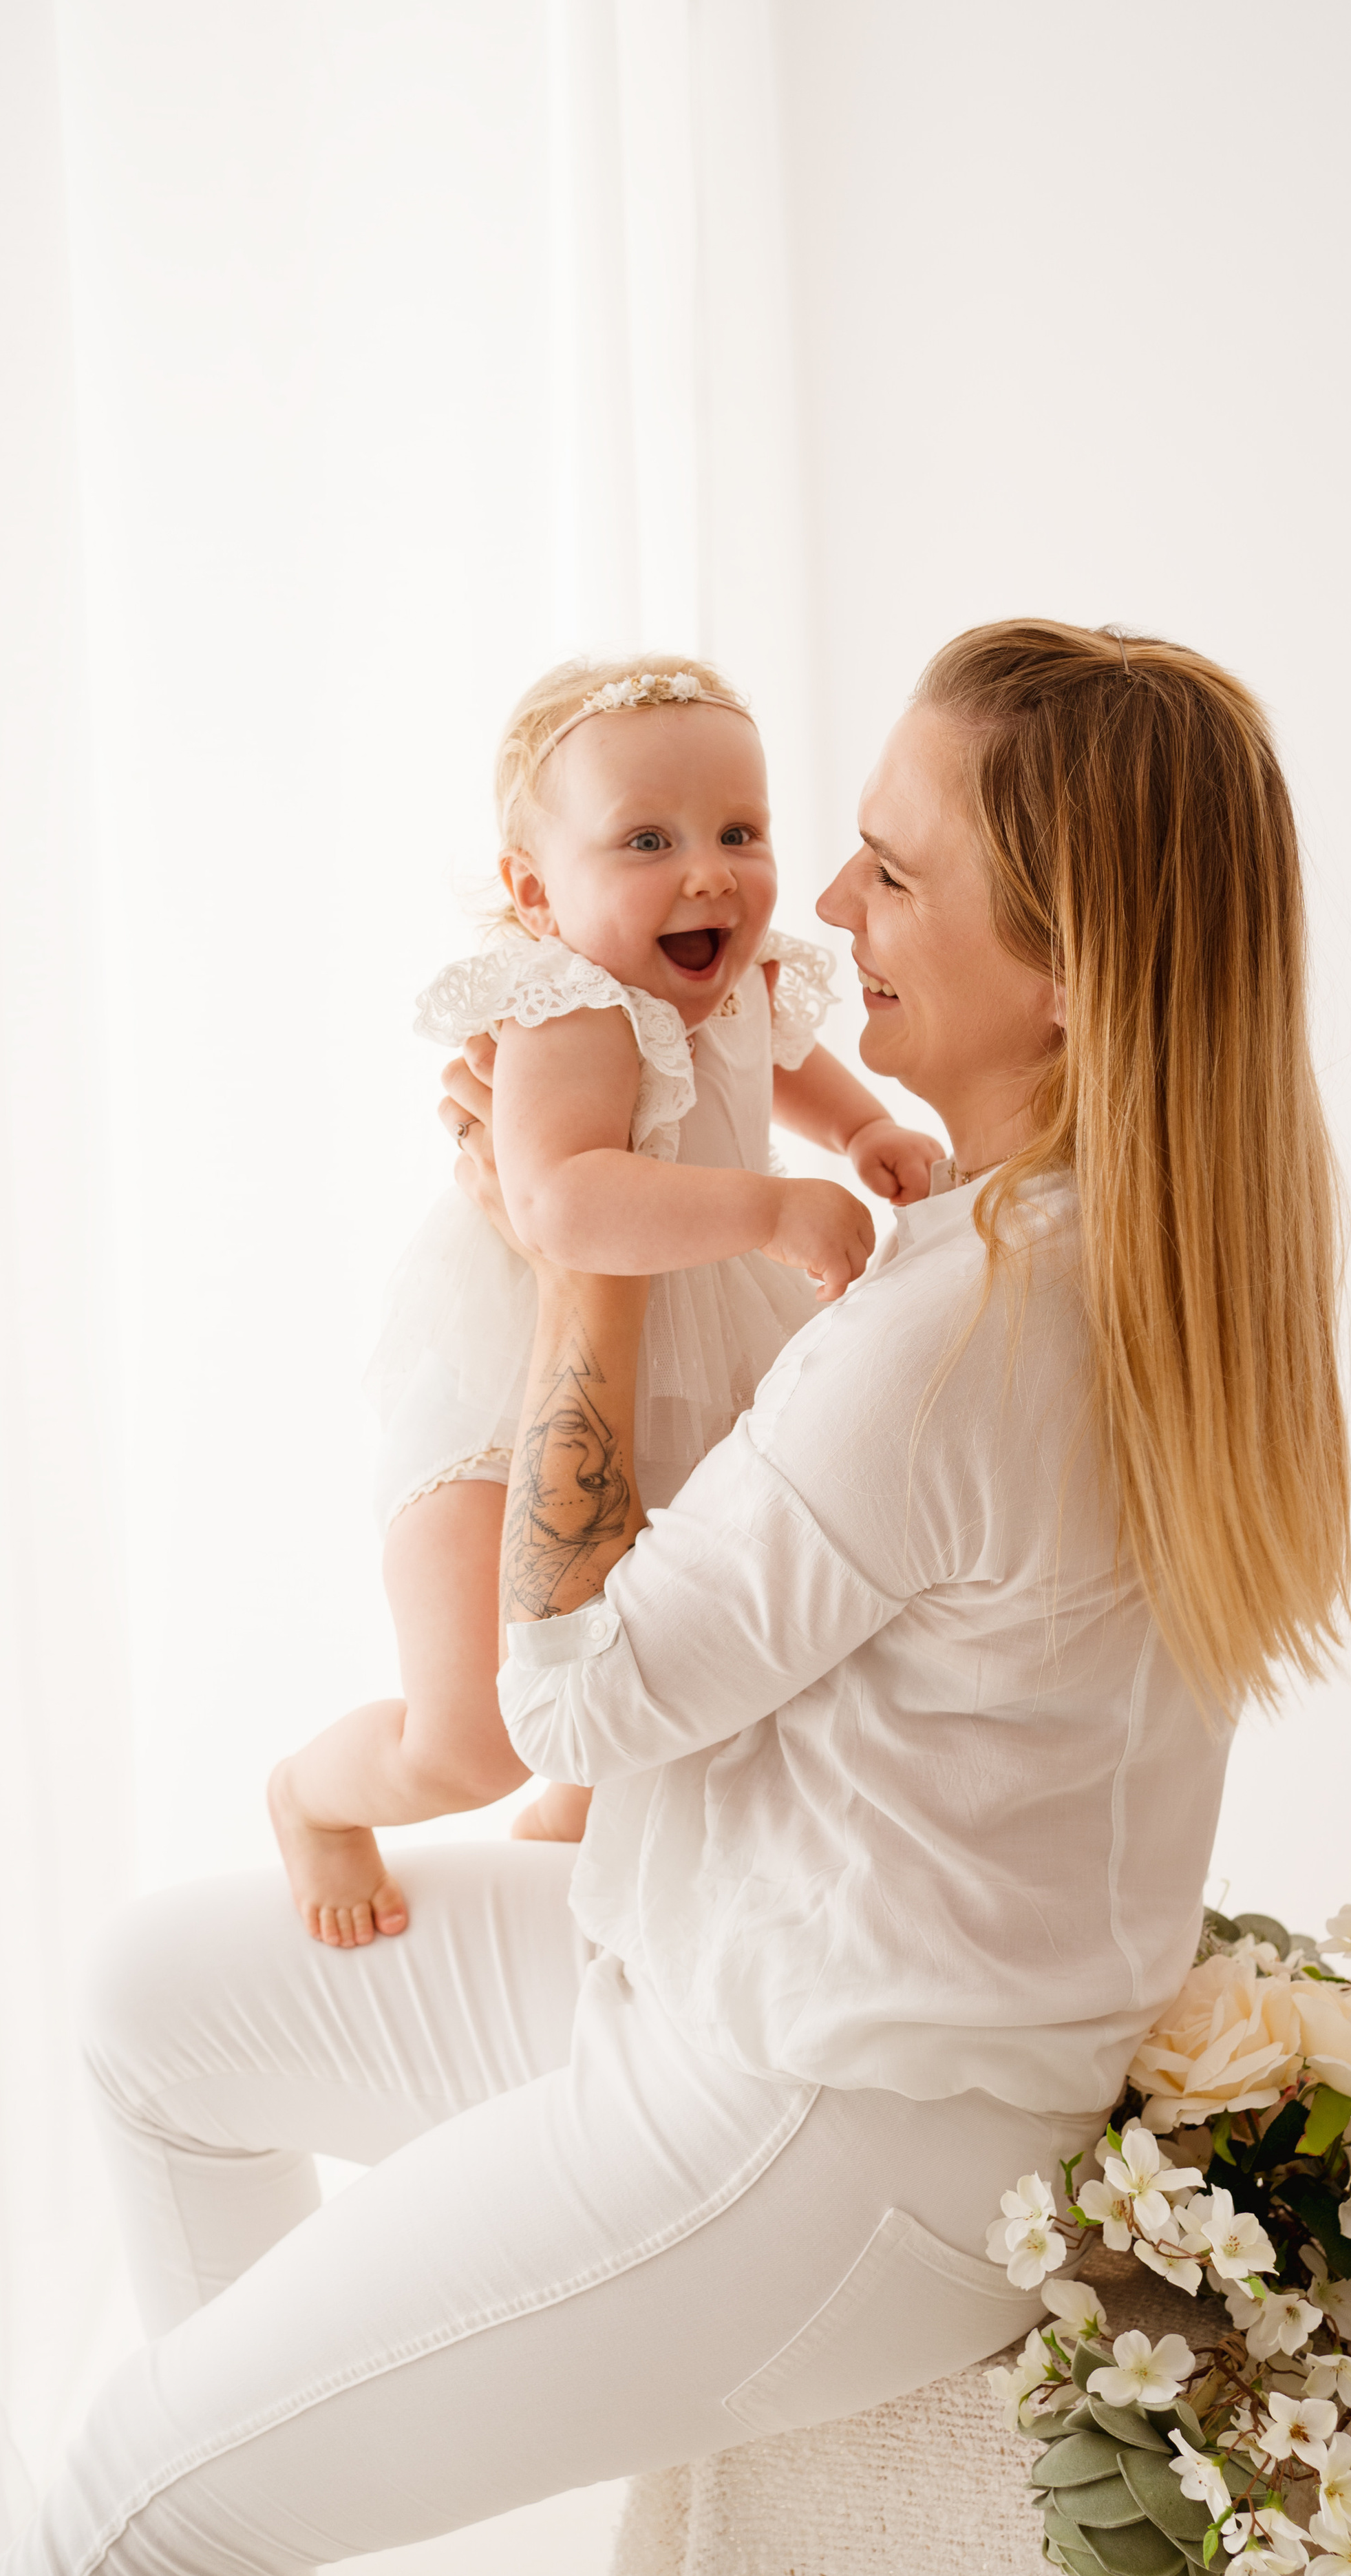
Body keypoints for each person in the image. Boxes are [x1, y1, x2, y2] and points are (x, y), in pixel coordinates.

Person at [0, 619, 1350, 2576]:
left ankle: (236, 2493)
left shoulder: (955, 1337)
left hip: (823, 2115)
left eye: (894, 866)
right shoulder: (1124, 1249)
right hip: (724, 1960)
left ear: (1061, 977)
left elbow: (576, 1703)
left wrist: (577, 1246)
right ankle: (277, 2477)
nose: (831, 905)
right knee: (146, 2010)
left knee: (125, 2501)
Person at [269, 653, 940, 1941]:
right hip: (500, 1404)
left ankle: (562, 1890)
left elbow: (783, 1059)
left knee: (630, 1723)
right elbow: (560, 1202)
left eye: (740, 832)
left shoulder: (733, 974)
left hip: (700, 1372)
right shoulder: (566, 1003)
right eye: (648, 839)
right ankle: (316, 1793)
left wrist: (860, 1133)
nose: (710, 872)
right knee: (474, 1738)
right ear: (535, 892)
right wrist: (770, 1205)